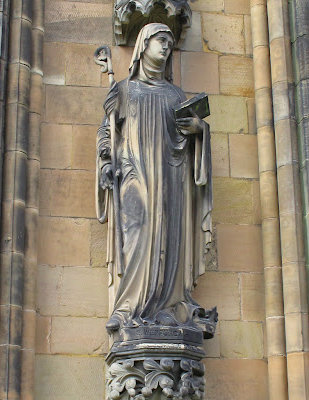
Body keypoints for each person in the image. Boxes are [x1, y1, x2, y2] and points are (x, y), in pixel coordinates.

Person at [96, 23, 215, 336]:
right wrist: (106, 162)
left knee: (166, 241)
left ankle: (165, 306)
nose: (165, 48)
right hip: (132, 176)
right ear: (143, 46)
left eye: (169, 43)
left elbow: (186, 136)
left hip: (170, 178)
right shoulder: (123, 90)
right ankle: (127, 309)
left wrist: (198, 132)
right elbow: (108, 133)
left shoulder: (175, 94)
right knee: (135, 236)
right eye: (160, 41)